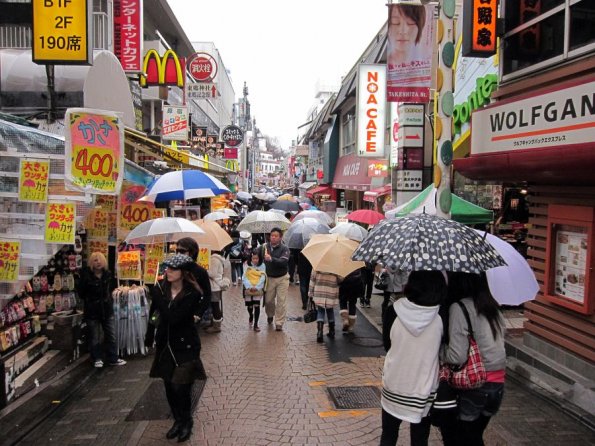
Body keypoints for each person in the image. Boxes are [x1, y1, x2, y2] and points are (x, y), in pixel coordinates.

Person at [380, 270, 446, 446]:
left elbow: (387, 345)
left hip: (395, 382)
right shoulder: (441, 316)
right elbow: (442, 350)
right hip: (424, 389)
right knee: (420, 439)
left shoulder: (393, 311)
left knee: (388, 435)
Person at [145, 253, 206, 442]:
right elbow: (154, 314)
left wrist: (159, 298)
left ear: (183, 272)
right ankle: (177, 420)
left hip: (185, 345)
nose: (167, 272)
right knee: (169, 386)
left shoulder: (192, 293)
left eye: (172, 269)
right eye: (166, 268)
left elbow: (175, 317)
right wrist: (149, 336)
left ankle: (187, 421)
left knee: (181, 387)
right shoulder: (161, 288)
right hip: (165, 344)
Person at [442, 273, 506, 446]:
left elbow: (457, 356)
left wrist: (441, 352)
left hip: (476, 385)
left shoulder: (459, 307)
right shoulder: (493, 307)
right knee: (475, 435)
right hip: (497, 386)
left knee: (464, 438)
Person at [76, 252, 126, 368]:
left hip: (107, 309)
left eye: (100, 260)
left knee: (111, 334)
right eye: (95, 260)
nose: (98, 262)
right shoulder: (86, 276)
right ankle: (97, 358)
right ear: (91, 263)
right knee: (95, 336)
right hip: (92, 310)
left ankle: (113, 358)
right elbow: (81, 293)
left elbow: (111, 290)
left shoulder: (107, 275)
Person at [174, 238, 212, 320]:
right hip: (173, 313)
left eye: (182, 251)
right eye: (177, 251)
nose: (178, 254)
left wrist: (198, 314)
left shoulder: (200, 271)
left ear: (192, 253)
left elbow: (207, 294)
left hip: (191, 314)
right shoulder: (173, 268)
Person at [262, 227, 290, 331]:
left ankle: (279, 322)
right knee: (268, 300)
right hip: (269, 277)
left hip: (282, 278)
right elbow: (256, 258)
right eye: (272, 236)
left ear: (280, 237)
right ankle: (270, 315)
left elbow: (283, 261)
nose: (273, 238)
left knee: (281, 301)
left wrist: (271, 259)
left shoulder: (285, 249)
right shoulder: (265, 247)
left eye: (276, 236)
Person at [309, 271, 342, 343]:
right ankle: (332, 331)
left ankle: (320, 332)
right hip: (331, 291)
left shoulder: (317, 265)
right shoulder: (335, 267)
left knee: (320, 310)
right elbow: (340, 279)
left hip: (319, 291)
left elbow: (312, 279)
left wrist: (311, 293)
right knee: (330, 310)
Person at [242, 249, 267, 332]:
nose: (255, 260)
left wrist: (257, 286)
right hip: (248, 288)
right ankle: (250, 315)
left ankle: (256, 324)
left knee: (256, 305)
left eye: (257, 258)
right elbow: (244, 276)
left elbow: (263, 277)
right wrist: (249, 286)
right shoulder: (246, 264)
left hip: (258, 288)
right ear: (251, 258)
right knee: (249, 306)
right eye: (253, 258)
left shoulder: (262, 265)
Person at [206, 250, 229, 333]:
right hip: (214, 286)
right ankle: (214, 323)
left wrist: (204, 269)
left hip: (214, 286)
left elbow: (212, 274)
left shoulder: (214, 259)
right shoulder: (216, 259)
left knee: (215, 306)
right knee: (214, 306)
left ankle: (217, 326)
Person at [339, 267, 364, 334]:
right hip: (356, 284)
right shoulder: (357, 260)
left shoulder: (343, 260)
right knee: (352, 303)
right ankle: (351, 326)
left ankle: (345, 320)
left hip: (345, 284)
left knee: (343, 301)